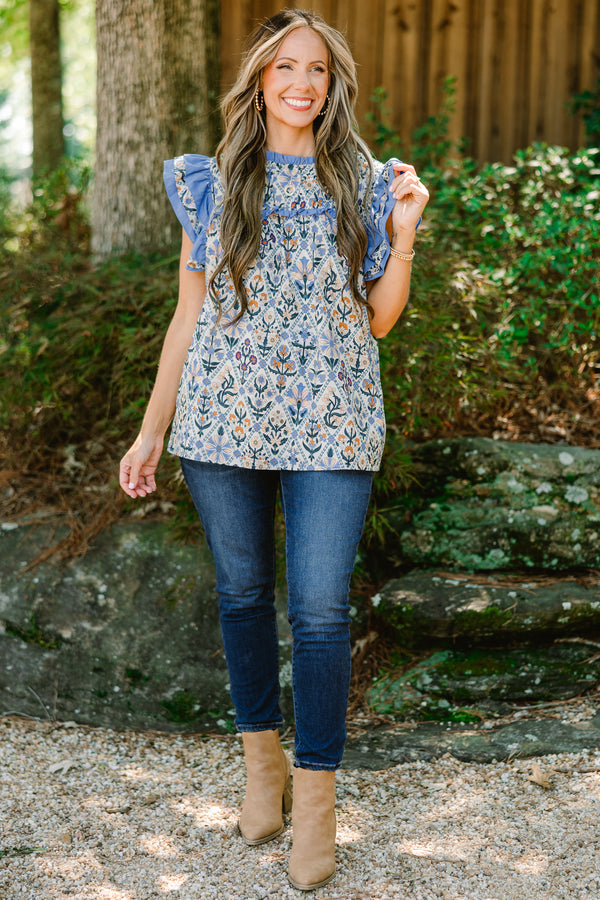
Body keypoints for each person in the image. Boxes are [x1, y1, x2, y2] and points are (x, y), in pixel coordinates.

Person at [119, 7, 428, 892]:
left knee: (323, 610)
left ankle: (319, 800)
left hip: (332, 422)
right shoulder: (208, 182)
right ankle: (262, 766)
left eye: (319, 72)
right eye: (286, 67)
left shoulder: (368, 182)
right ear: (259, 78)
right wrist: (151, 431)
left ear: (336, 88)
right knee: (244, 594)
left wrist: (403, 234)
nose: (302, 83)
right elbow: (188, 317)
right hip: (219, 421)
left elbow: (380, 319)